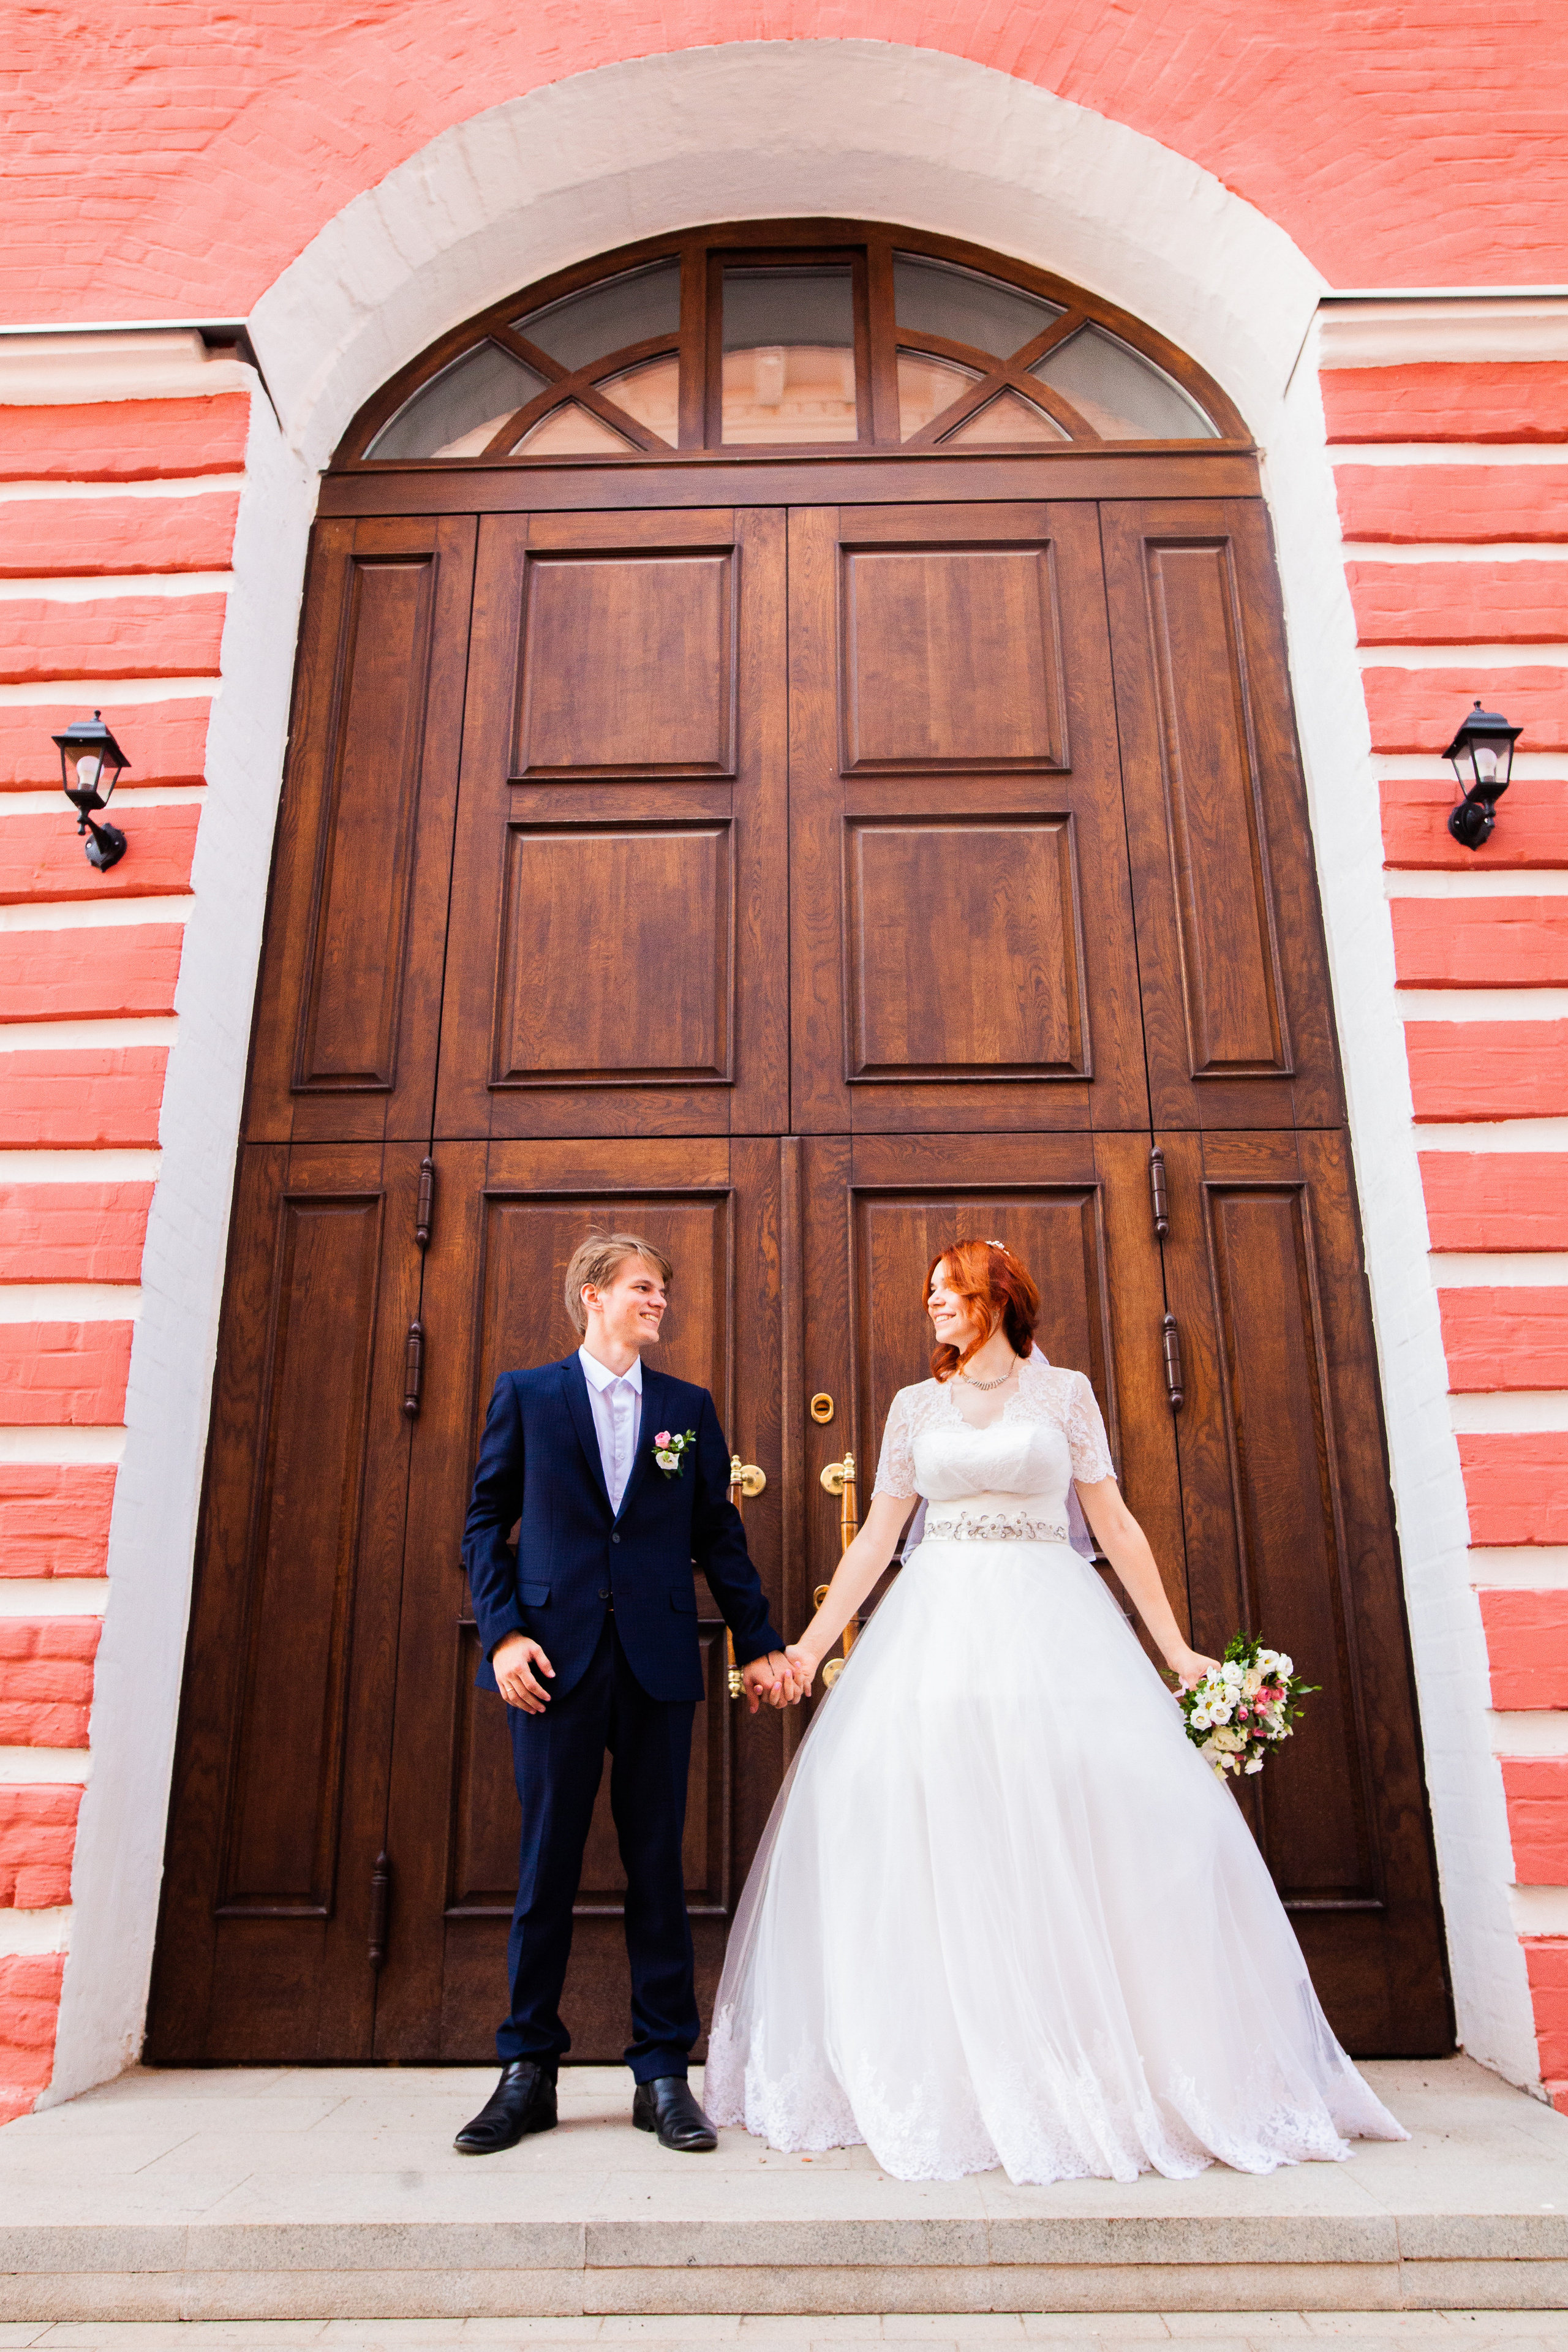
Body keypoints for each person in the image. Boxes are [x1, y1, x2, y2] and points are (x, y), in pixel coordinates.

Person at [704, 1237, 1406, 2184]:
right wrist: (808, 1646)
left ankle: (1092, 2053)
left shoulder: (1065, 1394)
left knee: (1091, 1817)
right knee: (929, 1819)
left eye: (948, 1293)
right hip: (937, 1632)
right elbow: (877, 1538)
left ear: (998, 1298)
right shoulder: (916, 1407)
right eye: (931, 1298)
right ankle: (952, 2060)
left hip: (1053, 1622)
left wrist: (1175, 1649)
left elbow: (1113, 1524)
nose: (934, 1310)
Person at [454, 1232, 802, 2158]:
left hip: (655, 1661)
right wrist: (503, 1636)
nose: (660, 1302)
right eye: (645, 1288)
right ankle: (527, 2072)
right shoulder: (528, 1395)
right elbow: (487, 1522)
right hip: (552, 1665)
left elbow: (715, 1535)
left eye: (663, 1290)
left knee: (659, 1871)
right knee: (546, 1869)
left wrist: (760, 1640)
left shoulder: (686, 1408)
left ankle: (662, 2074)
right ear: (594, 1295)